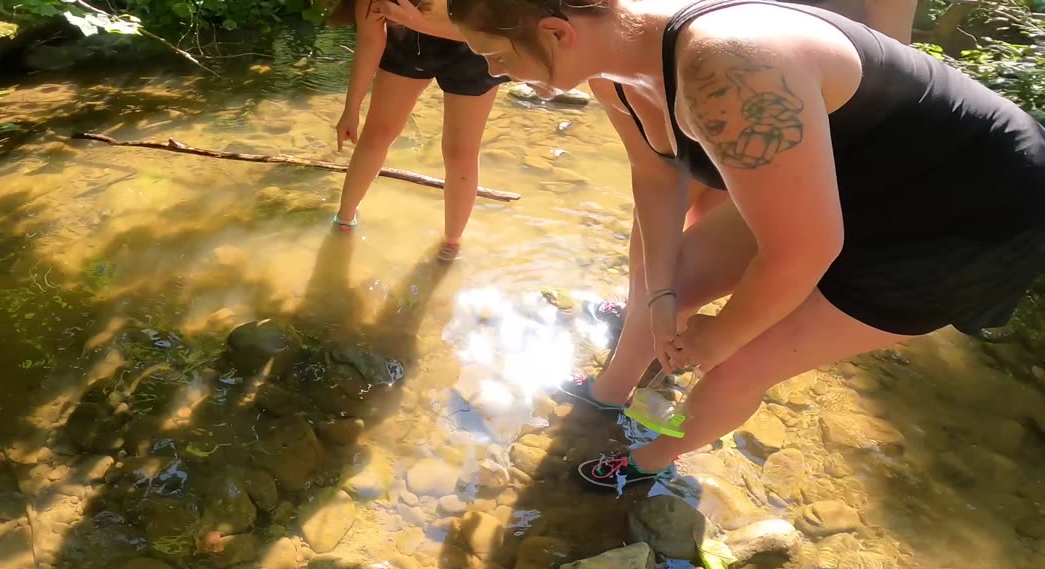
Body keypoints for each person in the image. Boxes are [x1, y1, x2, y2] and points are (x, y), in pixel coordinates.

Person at [447, 0, 1045, 490]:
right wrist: (659, 298)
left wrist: (719, 335)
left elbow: (804, 249)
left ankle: (648, 462)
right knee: (677, 280)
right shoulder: (616, 62)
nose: (496, 72)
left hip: (967, 220)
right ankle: (617, 395)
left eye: (496, 54)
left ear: (557, 31)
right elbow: (657, 180)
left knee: (736, 367)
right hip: (857, 180)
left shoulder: (726, 63)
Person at [575, 0, 919, 376]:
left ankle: (663, 347)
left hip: (793, 119)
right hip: (704, 82)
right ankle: (642, 316)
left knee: (710, 244)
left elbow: (889, 55)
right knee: (658, 216)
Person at [329, 0, 506, 261]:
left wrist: (415, 20)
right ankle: (345, 217)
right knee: (377, 133)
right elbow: (370, 41)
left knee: (460, 152)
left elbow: (488, 35)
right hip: (410, 45)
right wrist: (351, 108)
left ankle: (452, 240)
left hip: (473, 51)